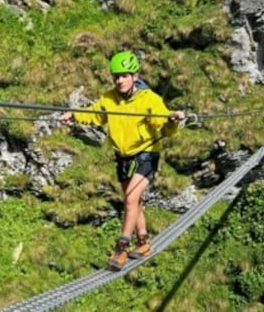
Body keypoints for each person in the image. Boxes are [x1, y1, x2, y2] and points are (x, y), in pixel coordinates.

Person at [59, 50, 185, 270]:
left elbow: (164, 128)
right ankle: (144, 241)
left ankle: (122, 246)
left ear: (135, 76)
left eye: (124, 76)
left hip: (146, 154)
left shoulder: (149, 100)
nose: (119, 81)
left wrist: (172, 120)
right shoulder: (109, 98)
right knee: (134, 202)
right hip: (123, 157)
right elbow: (95, 114)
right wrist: (74, 115)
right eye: (116, 76)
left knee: (130, 199)